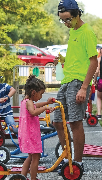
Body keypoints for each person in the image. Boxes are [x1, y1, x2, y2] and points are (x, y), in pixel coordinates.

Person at [53, 0, 98, 174]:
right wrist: (62, 60)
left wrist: (84, 87)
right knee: (57, 121)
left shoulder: (87, 32)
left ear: (77, 14)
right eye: (62, 20)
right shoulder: (73, 31)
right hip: (66, 80)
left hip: (78, 82)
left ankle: (78, 163)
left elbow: (93, 62)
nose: (65, 23)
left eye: (67, 20)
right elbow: (79, 57)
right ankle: (68, 158)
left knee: (75, 122)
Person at [19, 75, 54, 180]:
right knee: (36, 157)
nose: (41, 96)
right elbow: (33, 112)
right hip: (31, 135)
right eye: (41, 94)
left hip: (28, 134)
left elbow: (36, 105)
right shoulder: (29, 102)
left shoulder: (26, 101)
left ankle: (22, 176)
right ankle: (33, 178)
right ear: (33, 92)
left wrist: (46, 103)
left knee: (30, 157)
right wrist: (45, 107)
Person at [94, 48, 102, 120]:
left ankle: (99, 114)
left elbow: (97, 71)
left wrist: (94, 79)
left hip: (101, 80)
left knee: (99, 97)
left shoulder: (100, 59)